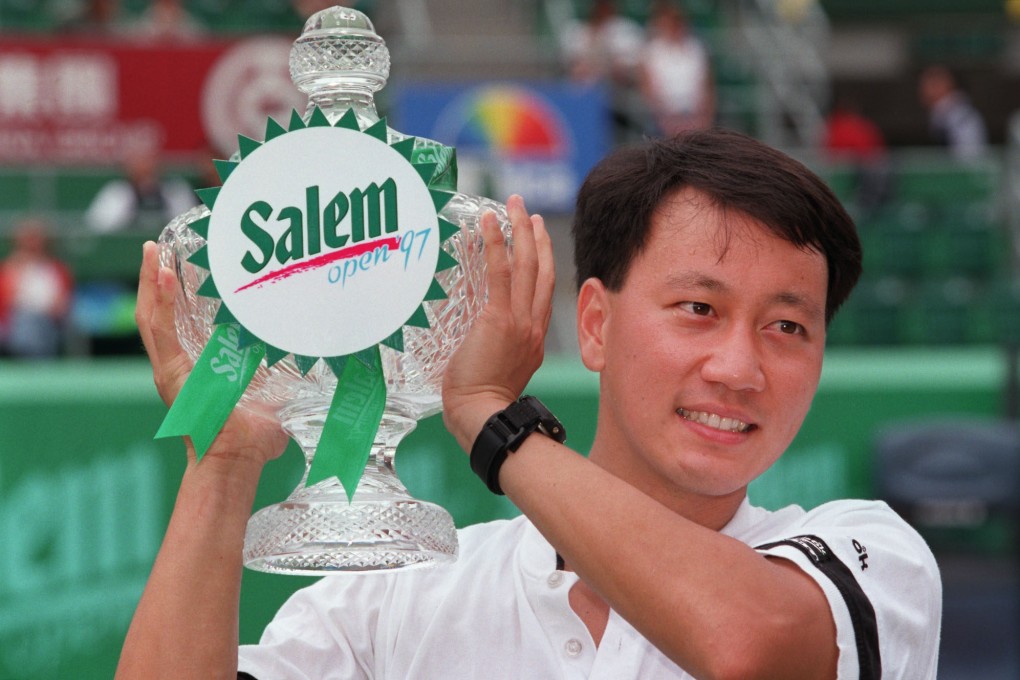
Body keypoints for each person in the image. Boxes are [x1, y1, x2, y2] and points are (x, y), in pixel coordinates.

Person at [118, 128, 941, 678]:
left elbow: (750, 645)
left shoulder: (871, 555)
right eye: (700, 309)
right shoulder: (402, 600)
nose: (739, 366)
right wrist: (222, 463)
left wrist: (494, 419)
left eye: (788, 326)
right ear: (594, 324)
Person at [84, 141, 198, 234]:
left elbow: (190, 228)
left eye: (149, 160)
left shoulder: (176, 191)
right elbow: (97, 227)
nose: (145, 166)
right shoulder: (117, 193)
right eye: (138, 161)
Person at [0, 218, 74, 358]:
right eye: (28, 238)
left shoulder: (57, 269)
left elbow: (63, 303)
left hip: (49, 319)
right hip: (14, 322)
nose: (32, 243)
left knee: (34, 323)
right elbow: (5, 303)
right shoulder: (8, 268)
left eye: (35, 238)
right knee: (27, 322)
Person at [639, 3, 715, 135]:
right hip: (663, 116)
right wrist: (665, 118)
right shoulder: (652, 51)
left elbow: (707, 86)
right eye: (667, 24)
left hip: (695, 114)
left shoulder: (696, 48)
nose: (672, 28)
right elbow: (648, 88)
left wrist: (703, 119)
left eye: (676, 24)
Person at [918, 65, 988, 162]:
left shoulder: (962, 116)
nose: (922, 89)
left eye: (930, 83)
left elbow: (970, 158)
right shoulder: (939, 115)